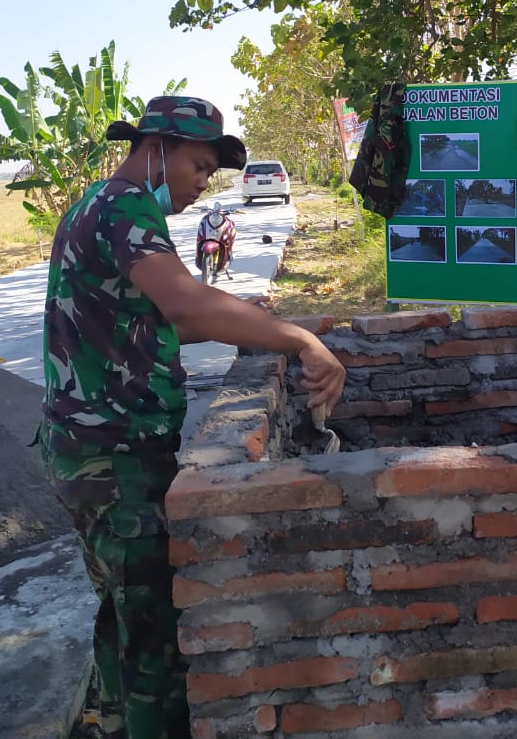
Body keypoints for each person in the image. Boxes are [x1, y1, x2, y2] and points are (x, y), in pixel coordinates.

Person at [37, 95, 346, 739]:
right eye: (200, 166)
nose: (204, 182)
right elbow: (185, 306)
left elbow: (152, 323)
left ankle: (112, 723)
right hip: (114, 457)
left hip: (94, 449)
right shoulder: (124, 206)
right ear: (156, 149)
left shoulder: (100, 202)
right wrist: (299, 340)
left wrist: (248, 319)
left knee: (125, 613)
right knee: (155, 634)